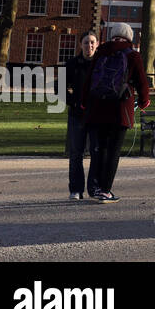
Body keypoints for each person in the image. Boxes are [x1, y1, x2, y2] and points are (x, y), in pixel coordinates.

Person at [80, 23, 150, 203]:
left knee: (99, 150)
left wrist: (83, 102)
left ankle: (94, 186)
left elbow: (89, 81)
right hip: (119, 111)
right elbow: (142, 82)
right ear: (129, 37)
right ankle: (105, 190)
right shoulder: (133, 55)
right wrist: (143, 102)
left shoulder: (101, 52)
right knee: (113, 152)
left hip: (96, 108)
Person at [65, 32, 97, 200]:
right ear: (80, 45)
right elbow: (60, 87)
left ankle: (94, 187)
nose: (89, 46)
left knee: (96, 152)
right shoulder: (72, 64)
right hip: (77, 115)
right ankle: (76, 189)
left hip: (96, 116)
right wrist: (73, 102)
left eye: (92, 42)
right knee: (76, 153)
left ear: (97, 44)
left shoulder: (101, 64)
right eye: (86, 43)